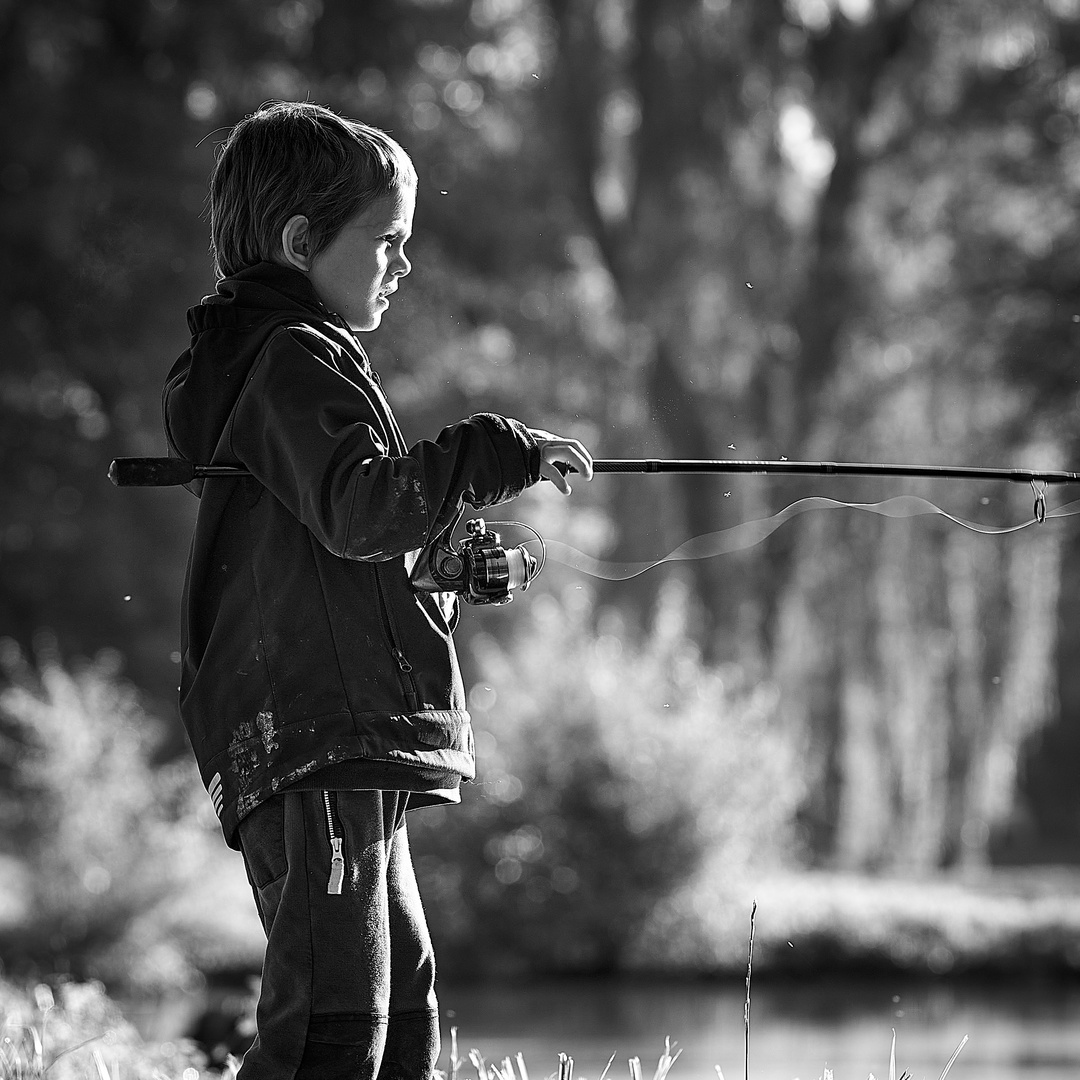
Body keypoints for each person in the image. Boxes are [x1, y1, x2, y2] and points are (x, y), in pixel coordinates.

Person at [162, 101, 593, 1080]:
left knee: (400, 1018)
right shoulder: (290, 361)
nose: (401, 265)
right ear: (301, 240)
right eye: (385, 242)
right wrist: (489, 451)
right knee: (330, 1029)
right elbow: (363, 512)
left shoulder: (289, 367)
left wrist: (444, 567)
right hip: (314, 739)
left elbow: (343, 549)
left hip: (339, 743)